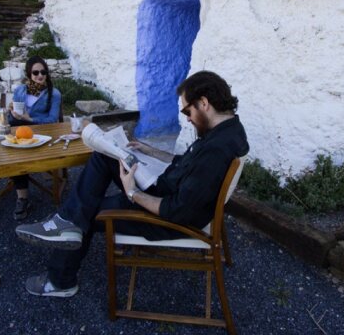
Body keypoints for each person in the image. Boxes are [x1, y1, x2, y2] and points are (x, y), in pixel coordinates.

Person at [15, 71, 249, 297]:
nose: (187, 117)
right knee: (105, 154)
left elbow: (177, 210)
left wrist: (132, 192)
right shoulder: (225, 131)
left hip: (166, 218)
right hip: (166, 189)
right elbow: (188, 165)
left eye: (188, 110)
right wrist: (150, 151)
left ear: (204, 103)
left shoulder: (216, 150)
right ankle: (66, 223)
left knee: (88, 213)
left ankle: (60, 279)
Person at [8, 55, 62, 220]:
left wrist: (29, 120)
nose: (40, 75)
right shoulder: (20, 91)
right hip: (20, 133)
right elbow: (14, 118)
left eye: (43, 72)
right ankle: (21, 196)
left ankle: (20, 197)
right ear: (28, 75)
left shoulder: (54, 94)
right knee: (13, 149)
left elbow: (53, 120)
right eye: (35, 72)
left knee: (17, 156)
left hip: (42, 135)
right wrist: (12, 112)